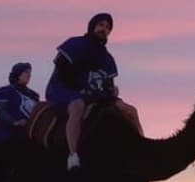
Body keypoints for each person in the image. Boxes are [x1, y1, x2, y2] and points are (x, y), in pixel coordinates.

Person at [46, 13, 143, 171]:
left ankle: (140, 150)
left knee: (130, 110)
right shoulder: (74, 44)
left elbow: (107, 84)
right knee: (77, 106)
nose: (104, 29)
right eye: (101, 25)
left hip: (94, 94)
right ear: (92, 26)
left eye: (107, 28)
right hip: (64, 89)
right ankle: (73, 155)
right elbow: (63, 71)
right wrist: (83, 90)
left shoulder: (107, 58)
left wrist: (112, 91)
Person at [0, 61, 40, 174]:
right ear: (17, 74)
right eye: (25, 72)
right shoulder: (5, 91)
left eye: (30, 72)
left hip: (28, 136)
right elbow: (0, 109)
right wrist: (15, 122)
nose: (28, 75)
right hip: (6, 137)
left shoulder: (34, 96)